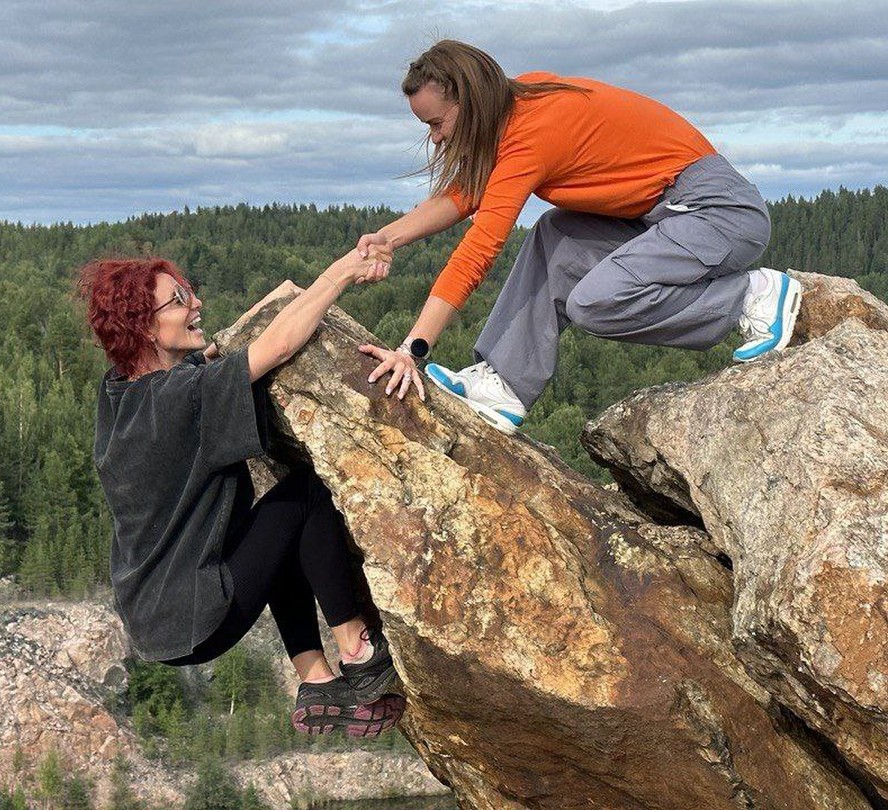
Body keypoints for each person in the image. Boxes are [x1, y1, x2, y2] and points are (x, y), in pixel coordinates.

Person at [357, 40, 801, 434]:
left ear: (469, 100)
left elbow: (478, 251)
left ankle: (751, 296)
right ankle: (505, 384)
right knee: (556, 232)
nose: (436, 139)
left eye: (436, 123)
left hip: (718, 213)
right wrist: (388, 238)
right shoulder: (519, 103)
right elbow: (465, 194)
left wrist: (412, 349)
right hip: (664, 217)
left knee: (595, 302)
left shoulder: (532, 134)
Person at [79, 251, 405, 737]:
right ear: (145, 327)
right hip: (197, 615)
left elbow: (209, 362)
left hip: (154, 619)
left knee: (274, 530)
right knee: (305, 496)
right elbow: (277, 348)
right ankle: (358, 650)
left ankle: (318, 682)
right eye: (180, 300)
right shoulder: (180, 400)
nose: (196, 304)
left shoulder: (121, 395)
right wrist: (341, 272)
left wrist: (280, 298)